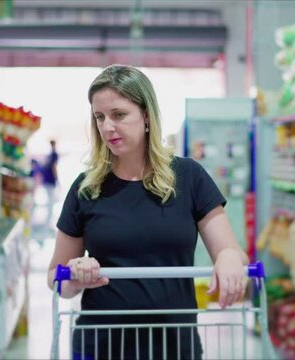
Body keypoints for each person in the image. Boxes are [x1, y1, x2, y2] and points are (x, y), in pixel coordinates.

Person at [47, 65, 248, 360]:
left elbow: (232, 252)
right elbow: (56, 278)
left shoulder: (189, 177)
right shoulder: (86, 188)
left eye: (118, 114)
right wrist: (76, 277)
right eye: (99, 117)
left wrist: (230, 258)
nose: (107, 127)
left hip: (174, 345)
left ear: (146, 117)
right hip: (102, 346)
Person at [39, 139, 59, 227]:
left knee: (50, 200)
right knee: (51, 202)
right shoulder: (54, 155)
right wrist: (57, 179)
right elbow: (54, 168)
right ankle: (48, 221)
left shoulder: (49, 155)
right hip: (50, 180)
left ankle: (48, 220)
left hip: (46, 179)